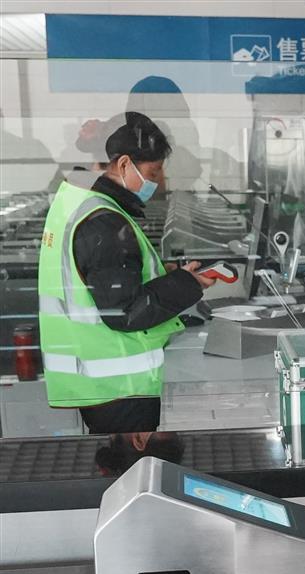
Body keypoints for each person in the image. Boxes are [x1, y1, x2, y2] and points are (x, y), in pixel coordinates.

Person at [38, 111, 215, 434]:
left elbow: (103, 278)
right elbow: (126, 310)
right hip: (118, 386)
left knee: (113, 469)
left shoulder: (77, 201)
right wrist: (188, 283)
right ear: (122, 165)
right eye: (154, 171)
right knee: (133, 473)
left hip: (96, 380)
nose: (159, 181)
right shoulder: (105, 221)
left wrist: (168, 274)